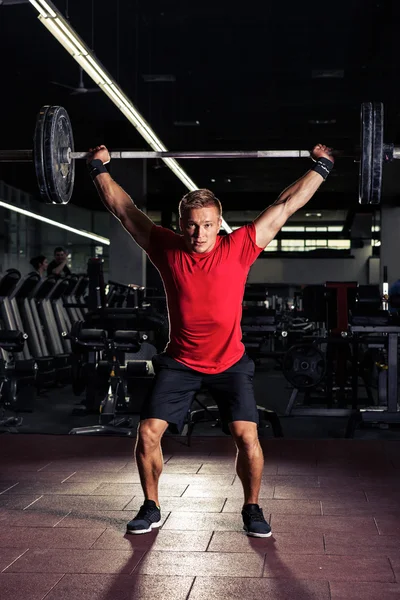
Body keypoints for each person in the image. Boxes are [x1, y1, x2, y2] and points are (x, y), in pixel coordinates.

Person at [87, 142, 334, 537]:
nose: (198, 233)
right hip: (181, 361)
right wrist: (99, 168)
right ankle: (151, 506)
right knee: (148, 431)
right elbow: (123, 209)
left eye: (207, 224)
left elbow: (286, 205)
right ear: (180, 222)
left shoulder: (240, 247)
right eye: (190, 224)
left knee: (247, 434)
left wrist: (322, 167)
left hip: (230, 362)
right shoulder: (165, 248)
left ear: (220, 223)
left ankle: (251, 508)